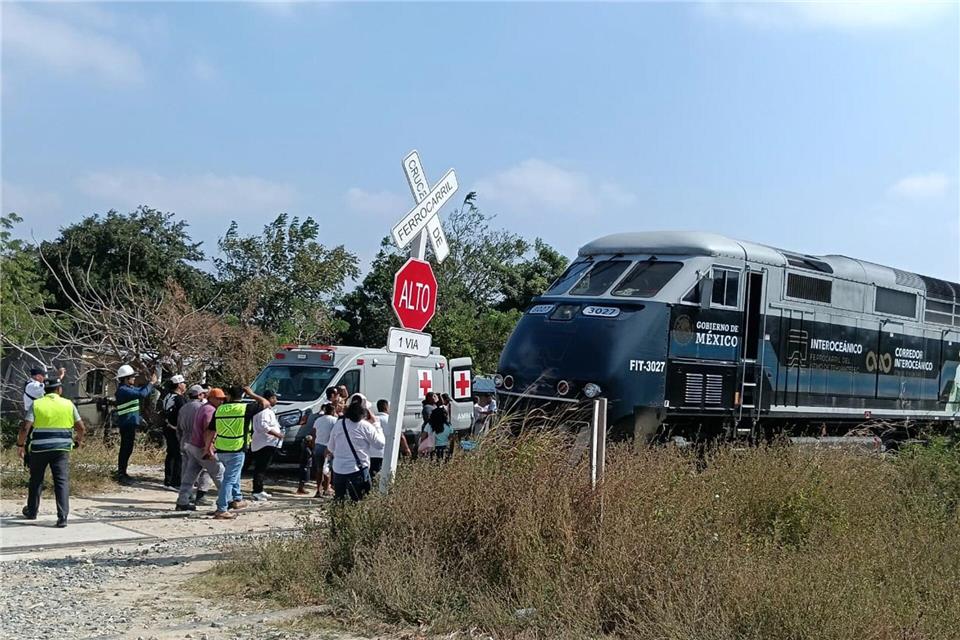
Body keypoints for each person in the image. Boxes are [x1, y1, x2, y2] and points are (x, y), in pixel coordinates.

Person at [17, 377, 85, 527]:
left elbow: (25, 428)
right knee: (61, 481)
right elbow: (81, 427)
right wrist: (78, 441)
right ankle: (62, 517)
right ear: (59, 389)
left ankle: (32, 511)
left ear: (45, 391)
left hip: (39, 449)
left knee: (36, 480)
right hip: (61, 450)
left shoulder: (36, 404)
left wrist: (20, 445)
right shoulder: (68, 404)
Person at [205, 385, 269, 520]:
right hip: (237, 448)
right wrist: (252, 393)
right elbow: (265, 403)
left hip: (221, 448)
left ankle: (237, 499)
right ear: (243, 395)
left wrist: (207, 447)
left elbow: (211, 430)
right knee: (229, 479)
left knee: (233, 475)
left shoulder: (220, 409)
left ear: (228, 395)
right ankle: (221, 508)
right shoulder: (245, 408)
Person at [326, 393, 384, 502]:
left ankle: (338, 518)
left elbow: (331, 448)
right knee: (359, 502)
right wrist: (376, 424)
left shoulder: (339, 424)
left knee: (339, 502)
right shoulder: (366, 426)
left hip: (339, 470)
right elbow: (380, 444)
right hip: (358, 470)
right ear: (364, 412)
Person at [176, 387, 226, 510]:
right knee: (219, 473)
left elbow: (179, 428)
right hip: (202, 446)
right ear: (211, 398)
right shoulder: (210, 410)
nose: (221, 401)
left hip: (191, 444)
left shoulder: (199, 408)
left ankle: (182, 502)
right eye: (219, 399)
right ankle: (227, 501)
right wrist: (208, 448)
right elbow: (208, 430)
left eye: (223, 399)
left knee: (189, 475)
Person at [114, 364, 158, 485]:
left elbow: (141, 391)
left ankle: (123, 472)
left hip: (130, 423)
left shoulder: (128, 389)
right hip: (126, 423)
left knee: (128, 449)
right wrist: (151, 383)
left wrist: (149, 384)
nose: (134, 379)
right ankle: (121, 474)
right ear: (125, 378)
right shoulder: (123, 390)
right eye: (132, 377)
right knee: (125, 449)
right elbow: (142, 394)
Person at [250, 390, 284, 501]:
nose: (276, 400)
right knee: (260, 468)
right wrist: (277, 434)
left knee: (262, 468)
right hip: (264, 443)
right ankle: (256, 491)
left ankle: (260, 490)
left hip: (267, 443)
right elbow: (263, 426)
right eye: (274, 398)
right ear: (269, 398)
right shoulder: (264, 411)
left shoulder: (267, 410)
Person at [161, 374, 187, 488]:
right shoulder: (179, 398)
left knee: (170, 453)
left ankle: (168, 479)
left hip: (167, 427)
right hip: (176, 429)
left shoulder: (167, 396)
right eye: (183, 383)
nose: (185, 385)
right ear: (179, 385)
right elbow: (183, 415)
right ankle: (176, 481)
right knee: (178, 455)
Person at [312, 403, 337, 497]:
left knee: (319, 469)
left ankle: (318, 490)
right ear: (333, 411)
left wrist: (314, 445)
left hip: (318, 445)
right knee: (327, 469)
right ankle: (326, 489)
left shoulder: (318, 420)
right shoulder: (335, 421)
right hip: (328, 447)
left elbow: (313, 433)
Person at [376, 399, 410, 464]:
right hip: (388, 453)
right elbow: (401, 436)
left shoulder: (374, 420)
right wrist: (406, 449)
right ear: (386, 407)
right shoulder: (391, 420)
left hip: (373, 454)